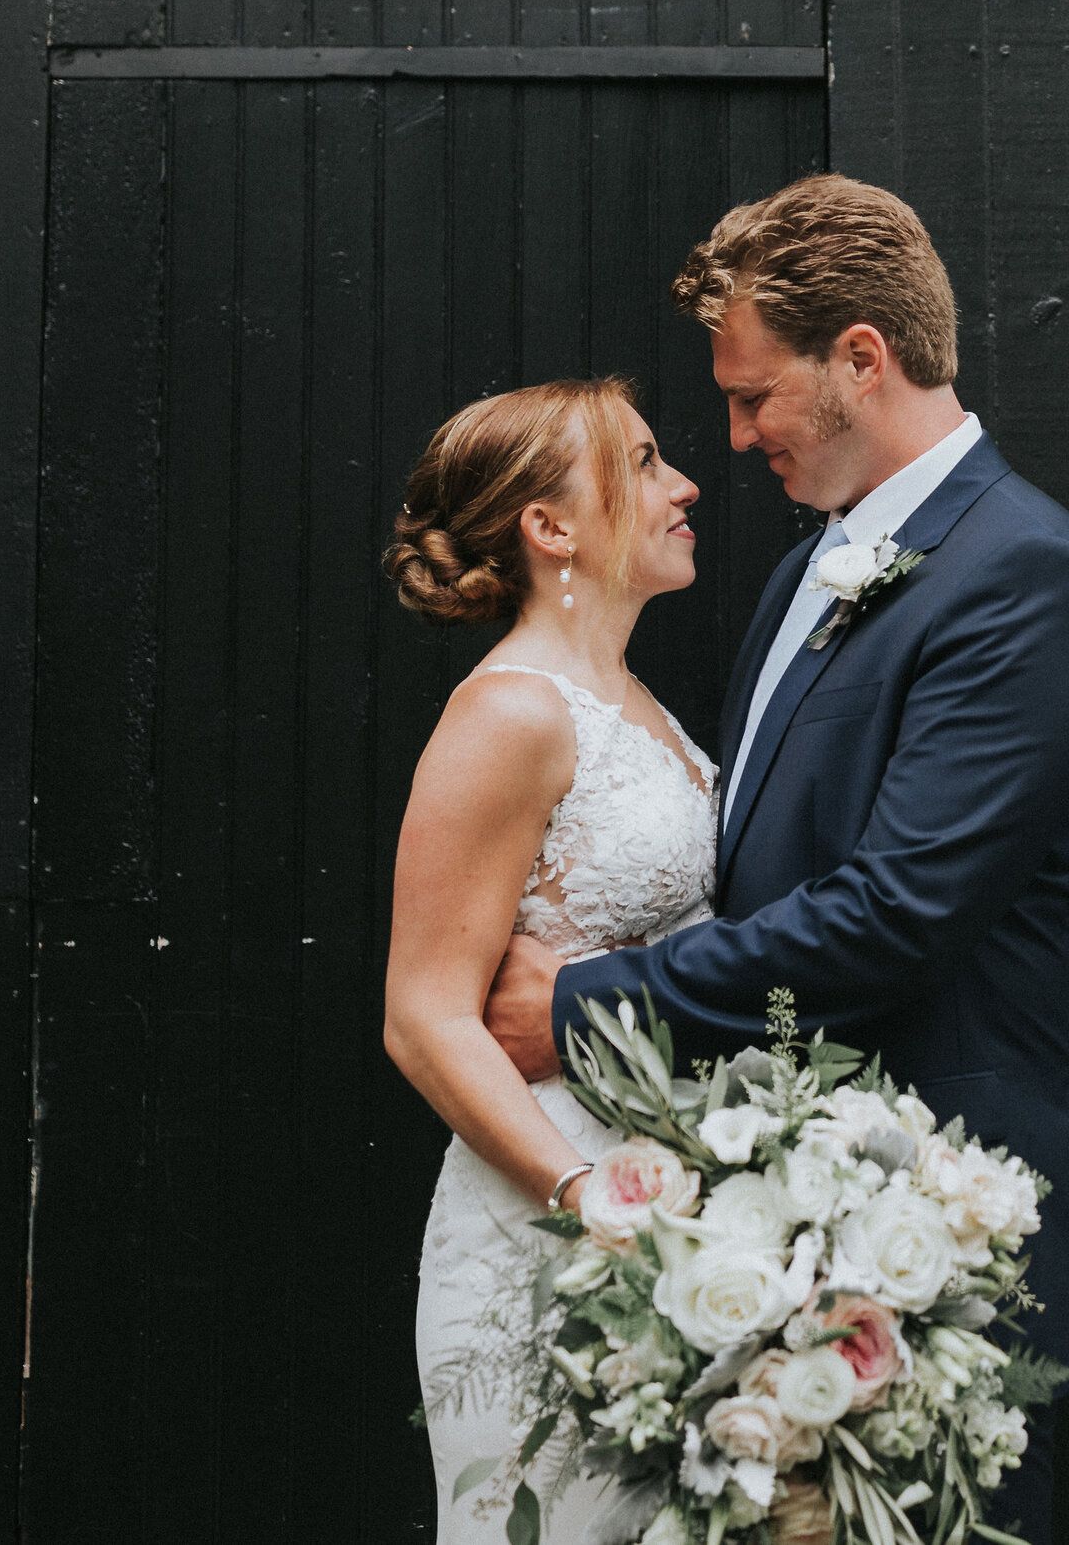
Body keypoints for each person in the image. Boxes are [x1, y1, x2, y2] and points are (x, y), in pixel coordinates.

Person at [479, 174, 1069, 1544]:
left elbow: (898, 913)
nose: (733, 434)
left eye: (754, 393)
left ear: (861, 360)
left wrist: (594, 999)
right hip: (776, 1226)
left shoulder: (1024, 572)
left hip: (940, 1231)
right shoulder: (810, 568)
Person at [381, 377, 714, 1542]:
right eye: (642, 460)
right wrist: (586, 1201)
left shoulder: (639, 707)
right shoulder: (512, 715)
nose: (684, 484)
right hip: (553, 1227)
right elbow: (424, 1016)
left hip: (680, 1211)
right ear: (550, 526)